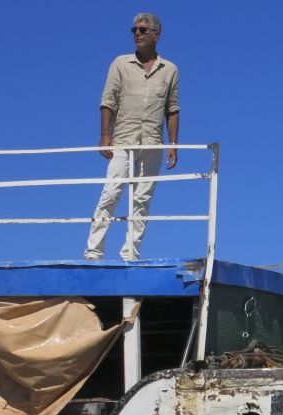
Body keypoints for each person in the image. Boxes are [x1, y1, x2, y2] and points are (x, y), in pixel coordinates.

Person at [84, 12, 180, 261]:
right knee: (111, 192)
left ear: (156, 35)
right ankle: (94, 251)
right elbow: (108, 101)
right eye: (134, 30)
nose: (137, 34)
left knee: (143, 198)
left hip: (152, 141)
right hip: (123, 139)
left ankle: (131, 252)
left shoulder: (169, 70)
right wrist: (105, 135)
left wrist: (173, 145)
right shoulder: (120, 63)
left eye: (143, 30)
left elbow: (172, 109)